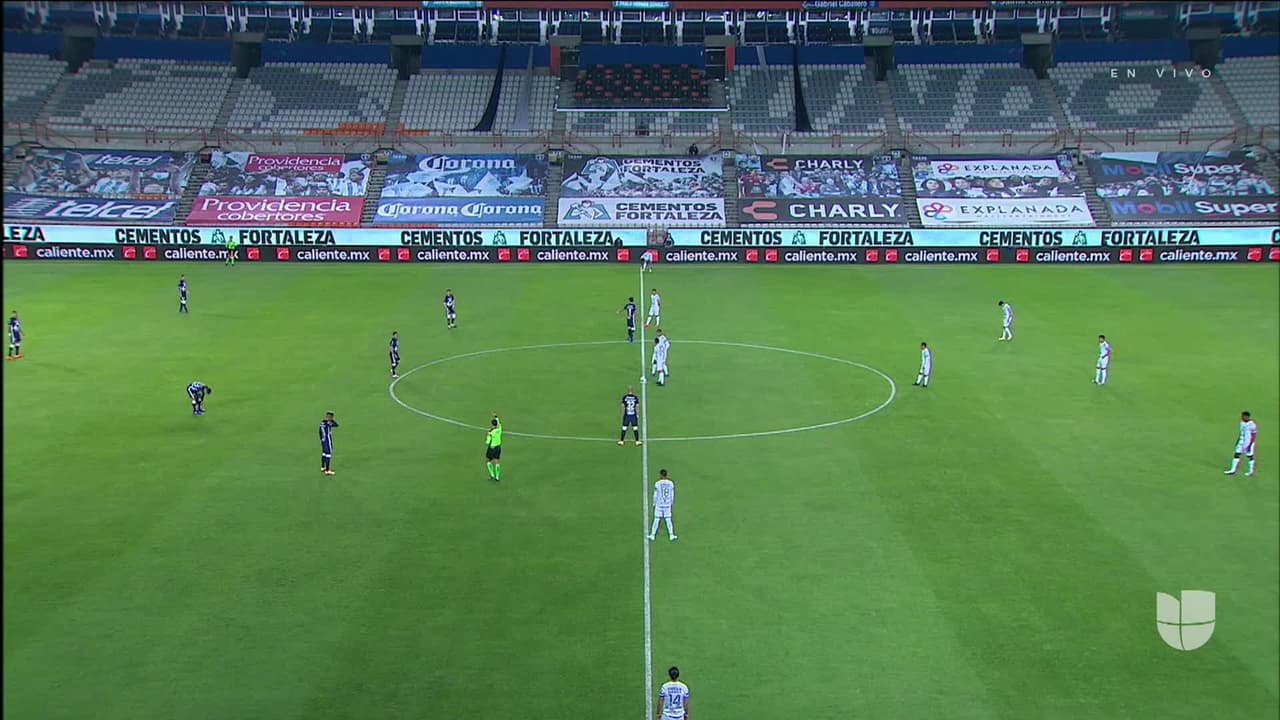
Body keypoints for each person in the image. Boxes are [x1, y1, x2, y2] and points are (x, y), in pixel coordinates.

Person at [648, 469, 677, 542]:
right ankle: (671, 535)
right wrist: (671, 503)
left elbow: (655, 495)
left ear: (661, 475)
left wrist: (654, 503)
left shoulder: (657, 483)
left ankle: (652, 535)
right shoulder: (671, 483)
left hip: (659, 504)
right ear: (666, 475)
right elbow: (672, 495)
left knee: (656, 519)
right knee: (668, 519)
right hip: (667, 504)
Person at [1225, 411, 1257, 477]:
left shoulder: (1252, 425)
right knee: (1237, 454)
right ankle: (1233, 470)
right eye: (1242, 416)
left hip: (1248, 443)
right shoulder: (1242, 422)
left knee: (1250, 456)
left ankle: (1251, 471)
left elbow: (1254, 435)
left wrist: (1249, 445)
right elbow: (1241, 432)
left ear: (1247, 417)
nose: (1241, 417)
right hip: (1241, 442)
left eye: (1243, 416)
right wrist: (1238, 441)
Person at [320, 411, 339, 476]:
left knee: (324, 453)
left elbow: (319, 432)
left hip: (323, 440)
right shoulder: (329, 423)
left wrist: (322, 439)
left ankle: (323, 467)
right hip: (327, 440)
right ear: (330, 417)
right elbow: (336, 425)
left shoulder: (322, 422)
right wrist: (331, 420)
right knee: (328, 454)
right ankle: (327, 470)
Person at [485, 414, 503, 482]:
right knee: (497, 461)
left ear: (492, 424)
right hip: (498, 447)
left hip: (492, 448)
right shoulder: (500, 428)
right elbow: (499, 423)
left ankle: (492, 475)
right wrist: (496, 417)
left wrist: (488, 434)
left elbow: (487, 441)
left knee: (488, 460)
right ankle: (497, 477)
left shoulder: (491, 432)